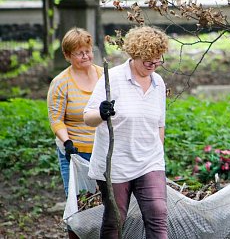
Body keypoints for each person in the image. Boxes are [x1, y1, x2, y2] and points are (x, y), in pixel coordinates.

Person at [83, 26, 169, 238]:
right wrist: (102, 113)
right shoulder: (112, 78)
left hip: (149, 162)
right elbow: (87, 117)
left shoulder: (158, 82)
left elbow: (160, 124)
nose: (154, 66)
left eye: (158, 61)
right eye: (148, 61)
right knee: (116, 220)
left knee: (158, 214)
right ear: (135, 55)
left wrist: (157, 155)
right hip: (116, 164)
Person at [47, 27, 102, 238]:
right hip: (74, 153)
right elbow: (56, 119)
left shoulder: (103, 75)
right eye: (79, 53)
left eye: (88, 50)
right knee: (78, 203)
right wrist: (67, 142)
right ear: (67, 55)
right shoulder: (61, 83)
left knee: (105, 200)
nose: (86, 56)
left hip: (102, 150)